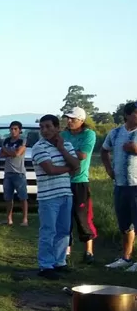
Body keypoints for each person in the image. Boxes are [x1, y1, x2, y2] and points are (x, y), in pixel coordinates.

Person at [32, 114, 80, 280]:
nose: (45, 130)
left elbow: (77, 166)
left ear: (57, 128)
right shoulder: (39, 147)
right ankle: (45, 265)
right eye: (42, 127)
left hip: (65, 193)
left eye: (48, 127)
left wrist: (62, 149)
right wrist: (69, 168)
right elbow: (50, 170)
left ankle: (60, 262)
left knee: (64, 231)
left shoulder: (66, 144)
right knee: (48, 231)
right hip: (48, 196)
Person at [101, 101, 137, 271]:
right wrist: (109, 169)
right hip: (121, 184)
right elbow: (104, 150)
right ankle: (126, 258)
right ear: (128, 115)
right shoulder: (115, 133)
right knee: (125, 224)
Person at [61, 106, 98, 264]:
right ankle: (66, 250)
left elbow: (83, 155)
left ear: (81, 120)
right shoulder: (63, 134)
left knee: (82, 216)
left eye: (73, 119)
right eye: (68, 118)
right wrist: (67, 152)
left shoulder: (89, 134)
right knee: (65, 216)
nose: (69, 121)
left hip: (80, 181)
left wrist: (63, 150)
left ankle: (89, 251)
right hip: (64, 179)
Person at [0, 120, 29, 227]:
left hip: (19, 173)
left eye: (15, 129)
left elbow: (17, 153)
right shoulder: (6, 140)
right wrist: (8, 152)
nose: (13, 131)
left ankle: (25, 219)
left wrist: (6, 150)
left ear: (20, 130)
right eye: (11, 129)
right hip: (8, 172)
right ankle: (9, 219)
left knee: (23, 197)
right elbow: (1, 155)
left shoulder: (22, 141)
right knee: (8, 197)